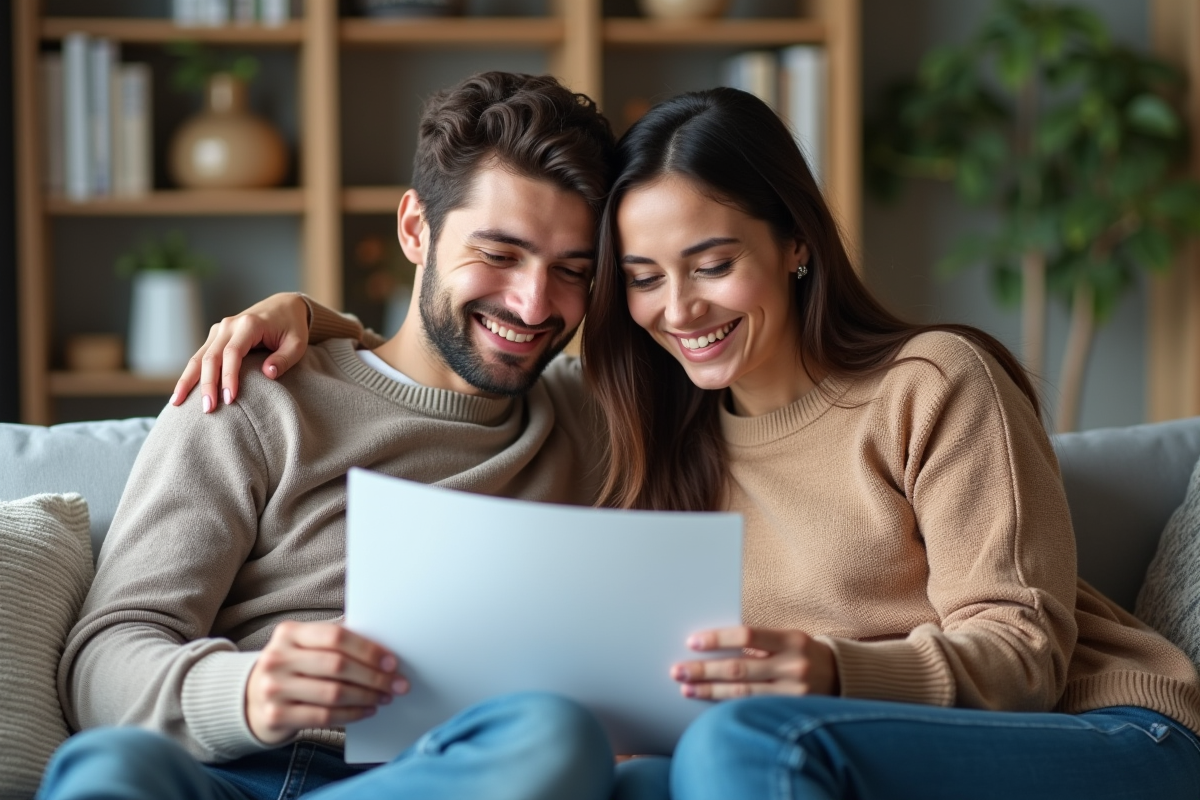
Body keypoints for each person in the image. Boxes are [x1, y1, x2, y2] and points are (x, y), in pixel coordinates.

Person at [175, 87, 1200, 800]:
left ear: (795, 243)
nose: (681, 308)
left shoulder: (932, 381)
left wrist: (833, 669)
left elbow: (1024, 656)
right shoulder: (642, 418)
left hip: (1100, 733)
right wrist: (310, 319)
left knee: (742, 741)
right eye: (645, 277)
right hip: (800, 750)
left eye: (713, 263)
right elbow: (460, 346)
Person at [37, 71, 619, 800]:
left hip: (447, 770)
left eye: (572, 270)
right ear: (415, 229)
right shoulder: (256, 393)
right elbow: (101, 662)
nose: (535, 303)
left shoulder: (592, 415)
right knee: (111, 770)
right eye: (498, 255)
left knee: (554, 736)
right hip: (236, 769)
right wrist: (245, 692)